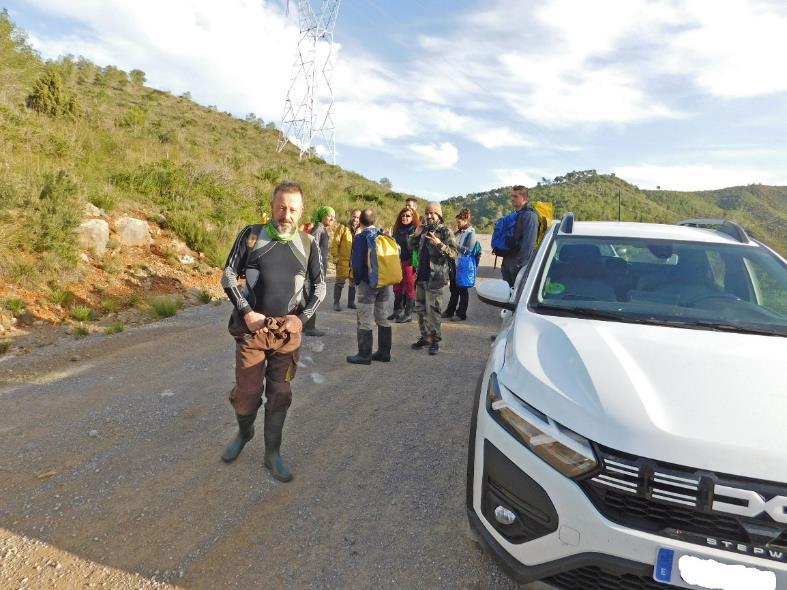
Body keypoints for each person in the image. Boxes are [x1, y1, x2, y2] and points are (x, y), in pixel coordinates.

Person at [220, 181, 325, 483]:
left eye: (292, 209)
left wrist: (301, 319)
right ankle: (244, 431)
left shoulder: (309, 244)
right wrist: (246, 311)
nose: (286, 214)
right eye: (281, 207)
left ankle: (272, 454)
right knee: (247, 395)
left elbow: (319, 287)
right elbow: (228, 275)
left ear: (301, 211)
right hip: (252, 330)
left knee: (280, 394)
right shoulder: (252, 236)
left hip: (286, 334)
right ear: (271, 206)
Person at [409, 202, 457, 355]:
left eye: (432, 213)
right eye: (427, 213)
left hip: (436, 278)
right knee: (420, 309)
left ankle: (435, 340)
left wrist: (440, 244)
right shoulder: (423, 229)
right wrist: (415, 235)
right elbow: (410, 246)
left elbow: (454, 253)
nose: (429, 216)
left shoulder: (445, 231)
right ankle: (425, 337)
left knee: (434, 311)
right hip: (421, 276)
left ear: (439, 215)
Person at [346, 208, 393, 365]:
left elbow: (358, 264)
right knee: (382, 316)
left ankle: (364, 355)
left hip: (367, 284)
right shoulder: (382, 235)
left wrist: (357, 280)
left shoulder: (360, 237)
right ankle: (384, 353)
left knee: (365, 319)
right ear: (374, 221)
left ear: (360, 221)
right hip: (384, 282)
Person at [302, 206, 335, 336]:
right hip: (316, 267)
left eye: (334, 216)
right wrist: (314, 267)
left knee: (312, 294)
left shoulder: (322, 229)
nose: (332, 218)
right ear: (322, 215)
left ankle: (307, 325)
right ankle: (309, 327)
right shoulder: (319, 229)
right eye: (329, 215)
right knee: (314, 294)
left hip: (319, 266)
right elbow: (312, 248)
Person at [442, 208, 477, 321]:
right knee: (453, 289)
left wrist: (454, 245)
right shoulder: (458, 232)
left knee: (463, 290)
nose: (457, 224)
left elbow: (468, 251)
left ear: (466, 220)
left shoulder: (471, 233)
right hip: (454, 264)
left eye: (459, 222)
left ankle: (461, 314)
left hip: (463, 266)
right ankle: (450, 311)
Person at [501, 185, 539, 287]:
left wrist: (519, 264)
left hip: (517, 265)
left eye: (515, 196)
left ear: (524, 198)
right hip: (508, 261)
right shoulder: (516, 214)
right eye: (512, 196)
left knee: (516, 296)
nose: (512, 199)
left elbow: (529, 242)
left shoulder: (530, 216)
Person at [389, 207, 419, 322]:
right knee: (397, 286)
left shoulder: (415, 230)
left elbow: (416, 248)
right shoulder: (397, 229)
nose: (404, 217)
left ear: (413, 217)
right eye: (403, 215)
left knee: (409, 287)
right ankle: (397, 311)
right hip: (398, 261)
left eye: (407, 216)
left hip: (409, 262)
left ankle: (408, 314)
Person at [330, 209, 361, 311]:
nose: (355, 219)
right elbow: (335, 243)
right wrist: (335, 256)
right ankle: (336, 303)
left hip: (355, 262)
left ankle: (351, 302)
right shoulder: (343, 228)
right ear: (351, 216)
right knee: (340, 282)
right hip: (343, 260)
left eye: (357, 217)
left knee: (353, 283)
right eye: (354, 216)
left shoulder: (361, 230)